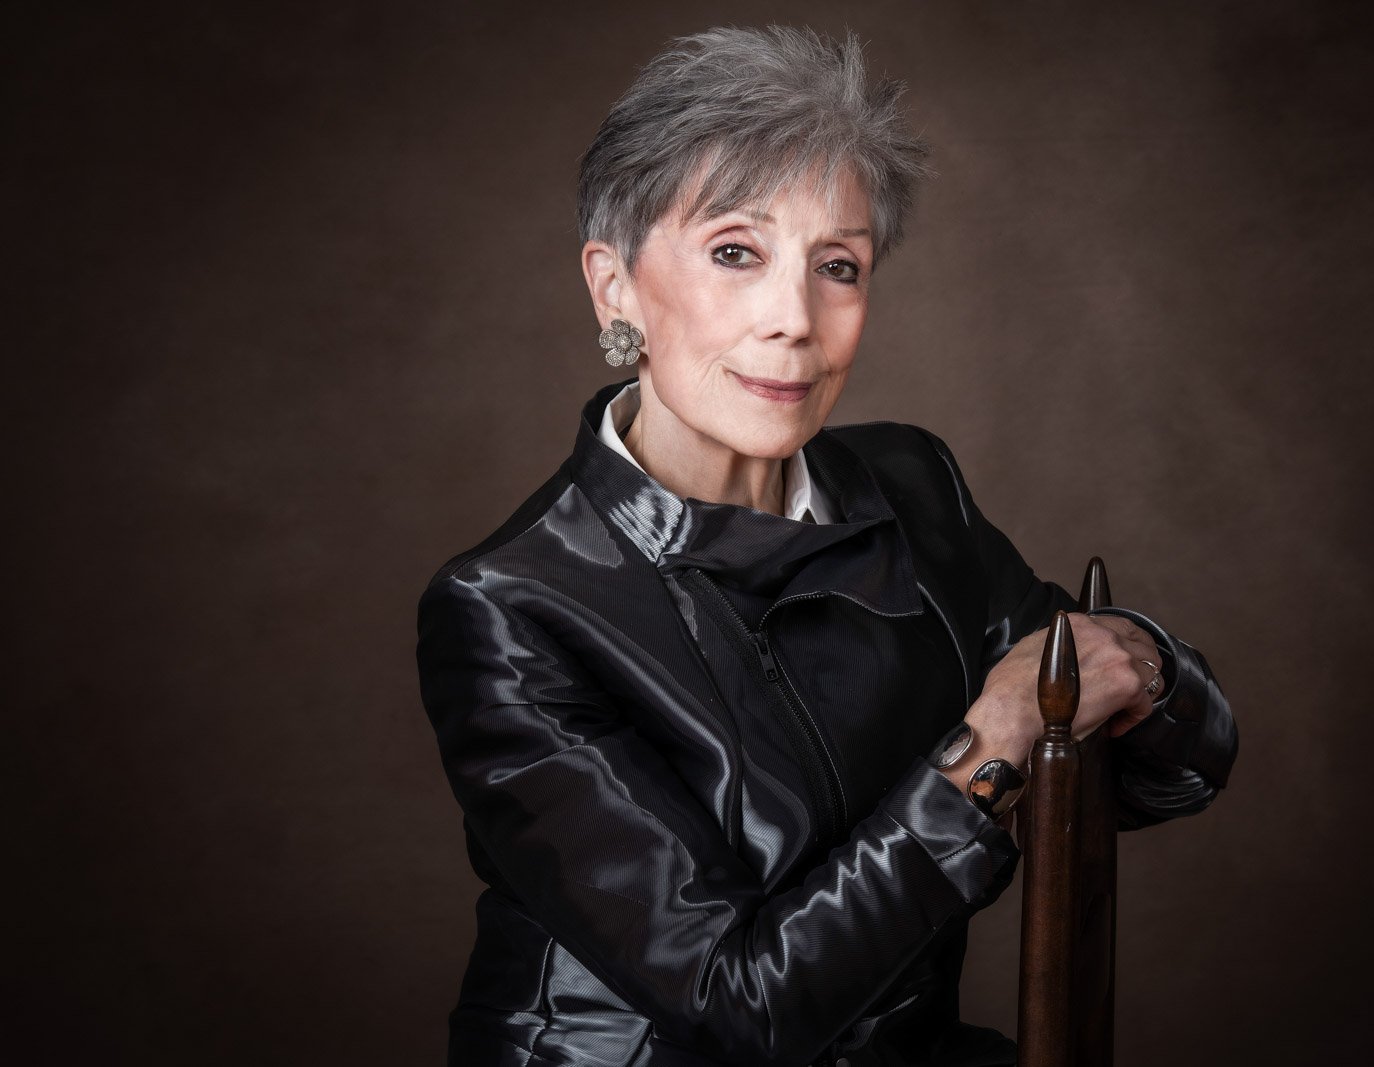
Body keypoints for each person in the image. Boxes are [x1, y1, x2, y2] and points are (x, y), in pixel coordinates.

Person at [416, 25, 1237, 1067]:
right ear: (613, 284)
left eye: (835, 265)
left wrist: (1145, 663)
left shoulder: (912, 484)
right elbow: (740, 1005)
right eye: (733, 252)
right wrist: (992, 736)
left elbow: (1150, 776)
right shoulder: (510, 605)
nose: (792, 318)